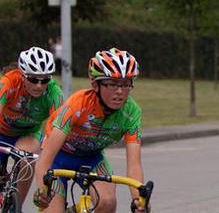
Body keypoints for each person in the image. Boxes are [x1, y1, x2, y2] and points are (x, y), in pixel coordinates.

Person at [33, 48, 145, 213]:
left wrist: (138, 199)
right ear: (95, 85)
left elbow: (134, 165)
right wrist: (42, 189)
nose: (120, 91)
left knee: (107, 202)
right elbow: (46, 156)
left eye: (126, 84)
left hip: (91, 158)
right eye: (113, 84)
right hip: (58, 157)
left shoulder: (131, 112)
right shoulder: (78, 104)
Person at [0, 47, 63, 205]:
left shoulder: (54, 93)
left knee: (28, 156)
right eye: (34, 80)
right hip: (1, 131)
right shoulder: (9, 82)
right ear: (22, 75)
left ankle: (16, 205)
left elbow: (58, 127)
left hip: (27, 134)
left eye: (45, 80)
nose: (39, 86)